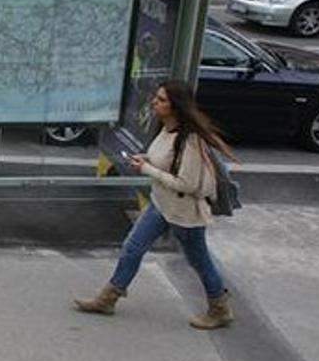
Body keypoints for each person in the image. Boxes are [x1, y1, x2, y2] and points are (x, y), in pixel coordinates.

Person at [73, 80, 237, 330]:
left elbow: (187, 184)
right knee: (133, 247)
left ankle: (219, 307)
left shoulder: (190, 141)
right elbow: (164, 159)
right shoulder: (166, 128)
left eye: (161, 100)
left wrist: (147, 169)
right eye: (156, 98)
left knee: (199, 260)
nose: (154, 102)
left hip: (184, 213)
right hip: (161, 204)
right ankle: (108, 298)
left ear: (175, 107)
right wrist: (147, 159)